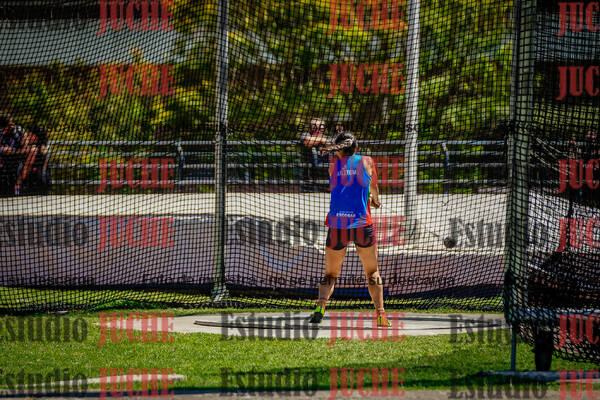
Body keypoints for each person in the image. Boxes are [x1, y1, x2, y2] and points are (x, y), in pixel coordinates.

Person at [308, 132, 390, 327]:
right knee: (372, 272)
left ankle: (320, 307)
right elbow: (373, 189)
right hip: (362, 224)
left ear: (339, 150)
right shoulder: (367, 161)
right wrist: (375, 200)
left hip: (338, 225)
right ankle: (381, 314)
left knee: (330, 275)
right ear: (356, 147)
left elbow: (346, 187)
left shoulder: (333, 166)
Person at [14, 126, 49, 196]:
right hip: (41, 179)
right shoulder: (43, 147)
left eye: (30, 135)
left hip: (33, 180)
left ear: (35, 137)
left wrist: (19, 183)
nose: (28, 137)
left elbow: (27, 166)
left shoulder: (34, 149)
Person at [300, 118, 331, 192]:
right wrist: (320, 140)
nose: (318, 130)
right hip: (308, 177)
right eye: (315, 127)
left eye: (320, 127)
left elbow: (332, 144)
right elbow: (308, 142)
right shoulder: (306, 134)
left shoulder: (327, 137)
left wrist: (322, 140)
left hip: (324, 178)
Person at [0, 114, 25, 196]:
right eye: (10, 124)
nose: (12, 125)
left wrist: (12, 151)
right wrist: (3, 149)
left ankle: (16, 189)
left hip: (18, 159)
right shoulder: (1, 133)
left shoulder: (19, 131)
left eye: (12, 123)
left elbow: (25, 149)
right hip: (4, 159)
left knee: (19, 168)